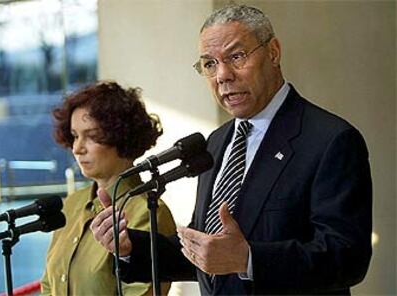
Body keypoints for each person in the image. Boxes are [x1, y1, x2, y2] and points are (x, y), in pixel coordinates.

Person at [91, 5, 372, 295]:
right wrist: (129, 247)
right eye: (210, 64)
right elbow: (207, 252)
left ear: (273, 52)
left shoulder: (330, 140)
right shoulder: (216, 142)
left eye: (236, 57)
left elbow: (348, 257)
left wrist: (249, 260)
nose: (222, 75)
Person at [40, 81, 176, 296]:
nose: (77, 148)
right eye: (75, 136)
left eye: (91, 136)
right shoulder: (73, 202)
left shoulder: (149, 211)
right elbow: (49, 284)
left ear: (121, 137)